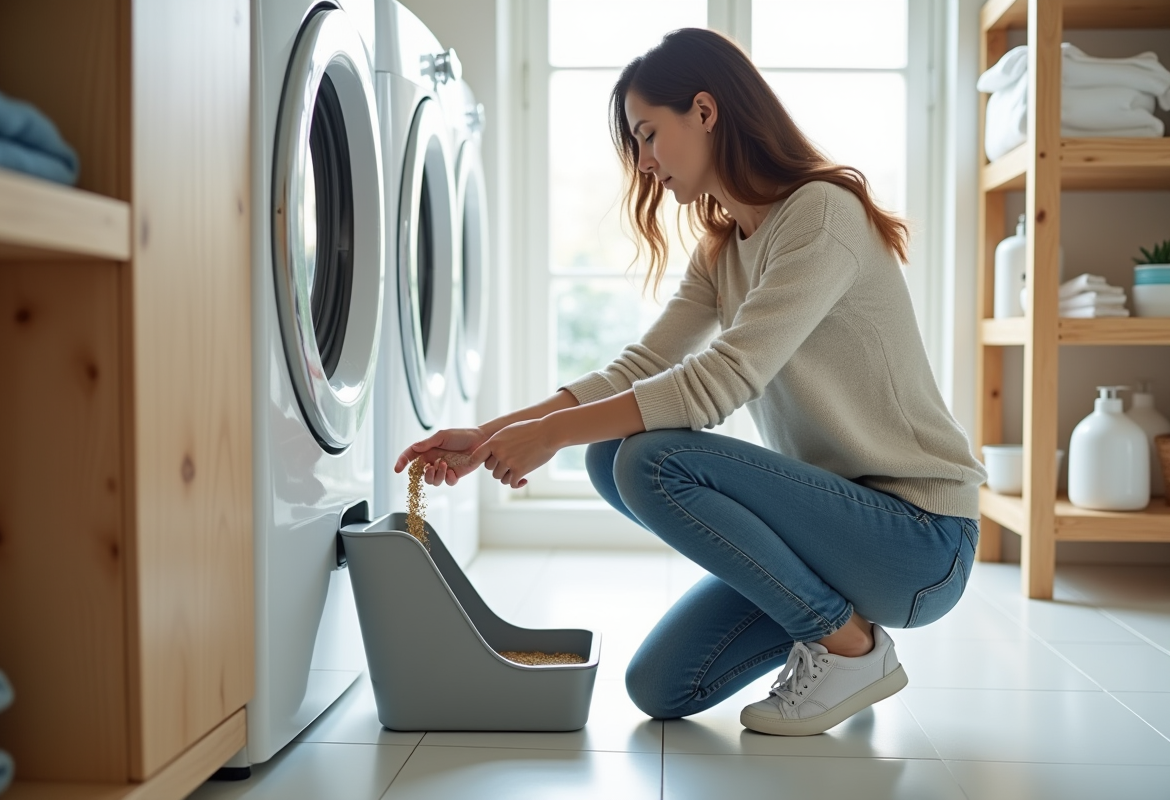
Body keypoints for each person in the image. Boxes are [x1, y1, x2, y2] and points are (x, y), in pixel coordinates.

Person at [394, 27, 986, 736]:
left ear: (705, 111)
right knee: (661, 684)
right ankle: (833, 629)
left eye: (648, 135)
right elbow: (639, 367)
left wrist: (545, 434)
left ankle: (848, 646)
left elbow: (723, 379)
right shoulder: (722, 249)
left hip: (920, 539)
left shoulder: (821, 213)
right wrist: (489, 434)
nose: (643, 163)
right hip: (829, 534)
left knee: (651, 457)